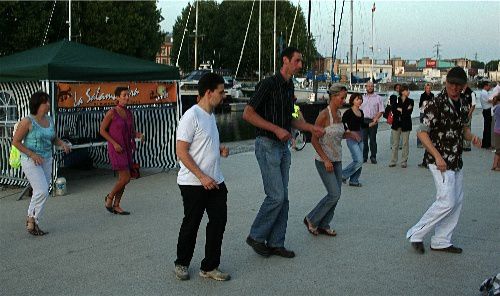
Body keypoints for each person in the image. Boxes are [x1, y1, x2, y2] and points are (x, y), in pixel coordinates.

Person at [243, 47, 324, 258]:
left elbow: (289, 119)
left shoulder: (289, 87)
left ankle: (277, 242)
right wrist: (275, 129)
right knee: (276, 196)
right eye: (297, 61)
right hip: (267, 144)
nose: (300, 65)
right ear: (285, 60)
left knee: (284, 198)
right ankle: (256, 236)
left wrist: (309, 128)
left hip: (283, 148)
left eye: (300, 61)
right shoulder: (267, 84)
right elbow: (248, 114)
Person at [406, 67, 482, 254]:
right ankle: (416, 233)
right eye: (451, 84)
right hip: (438, 159)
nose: (454, 88)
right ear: (446, 83)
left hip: (456, 158)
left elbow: (462, 128)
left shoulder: (464, 103)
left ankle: (441, 240)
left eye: (458, 85)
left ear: (464, 86)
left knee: (457, 200)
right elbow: (422, 133)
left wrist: (472, 137)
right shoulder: (435, 104)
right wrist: (438, 156)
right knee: (447, 200)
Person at [173, 73, 231, 281]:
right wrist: (202, 177)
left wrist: (219, 149)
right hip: (193, 183)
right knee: (192, 223)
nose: (224, 95)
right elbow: (181, 151)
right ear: (209, 93)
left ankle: (209, 266)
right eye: (221, 92)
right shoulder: (191, 116)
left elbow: (203, 145)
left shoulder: (210, 116)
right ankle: (181, 263)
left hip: (215, 180)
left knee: (218, 222)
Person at [12, 91, 71, 235]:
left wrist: (62, 143)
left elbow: (53, 138)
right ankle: (31, 219)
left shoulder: (50, 120)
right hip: (30, 160)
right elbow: (15, 142)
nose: (49, 105)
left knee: (42, 191)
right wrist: (32, 154)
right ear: (37, 104)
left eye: (49, 102)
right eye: (46, 102)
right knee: (42, 190)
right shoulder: (27, 121)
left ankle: (33, 221)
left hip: (47, 159)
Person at [303, 84, 349, 237]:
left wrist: (351, 135)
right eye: (342, 98)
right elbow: (314, 139)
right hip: (324, 160)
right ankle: (312, 219)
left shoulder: (339, 114)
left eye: (345, 97)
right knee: (334, 193)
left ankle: (324, 223)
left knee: (336, 194)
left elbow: (337, 135)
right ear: (333, 97)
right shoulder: (324, 115)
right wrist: (325, 159)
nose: (344, 100)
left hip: (337, 159)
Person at [99, 87, 143, 215]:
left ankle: (117, 205)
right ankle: (110, 197)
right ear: (117, 97)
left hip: (126, 147)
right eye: (124, 95)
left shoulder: (129, 113)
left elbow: (129, 132)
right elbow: (102, 130)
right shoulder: (112, 112)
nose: (127, 97)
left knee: (125, 178)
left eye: (128, 95)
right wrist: (114, 143)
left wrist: (137, 134)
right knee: (125, 177)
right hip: (116, 148)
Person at [341, 93, 371, 186]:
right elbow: (342, 122)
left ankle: (354, 180)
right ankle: (342, 174)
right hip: (351, 138)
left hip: (360, 136)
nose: (360, 101)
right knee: (359, 160)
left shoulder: (361, 112)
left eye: (361, 99)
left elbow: (362, 125)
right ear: (353, 100)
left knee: (359, 160)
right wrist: (347, 130)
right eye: (358, 99)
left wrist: (372, 123)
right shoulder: (348, 112)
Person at [388, 84, 414, 168]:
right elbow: (394, 111)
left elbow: (408, 113)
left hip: (406, 124)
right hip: (396, 124)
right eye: (407, 90)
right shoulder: (396, 100)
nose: (408, 92)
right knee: (395, 144)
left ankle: (404, 161)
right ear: (402, 92)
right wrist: (403, 110)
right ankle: (393, 161)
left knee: (405, 143)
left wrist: (400, 110)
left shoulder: (411, 101)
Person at [360, 81, 384, 164]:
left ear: (374, 87)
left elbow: (381, 110)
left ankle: (373, 156)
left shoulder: (378, 98)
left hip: (373, 120)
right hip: (364, 121)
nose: (370, 88)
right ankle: (364, 157)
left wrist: (376, 118)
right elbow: (358, 110)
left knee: (373, 140)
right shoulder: (362, 98)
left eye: (371, 86)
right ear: (366, 87)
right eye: (368, 86)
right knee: (364, 140)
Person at [417, 83, 435, 149]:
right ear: (425, 88)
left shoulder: (432, 95)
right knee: (421, 127)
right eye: (427, 88)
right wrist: (425, 103)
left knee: (430, 128)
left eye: (429, 88)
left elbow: (433, 104)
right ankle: (419, 143)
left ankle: (429, 143)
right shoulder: (422, 95)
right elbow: (420, 105)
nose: (428, 89)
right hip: (423, 112)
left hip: (430, 113)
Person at [461, 83, 477, 151]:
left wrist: (469, 115)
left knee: (467, 129)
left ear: (466, 84)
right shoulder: (460, 92)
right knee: (460, 130)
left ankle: (467, 146)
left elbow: (473, 105)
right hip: (460, 114)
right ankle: (461, 145)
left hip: (467, 114)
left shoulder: (471, 93)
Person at [479, 81, 493, 149]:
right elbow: (489, 101)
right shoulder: (484, 93)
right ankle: (487, 144)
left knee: (487, 128)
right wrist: (497, 99)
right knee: (488, 128)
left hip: (486, 110)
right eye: (488, 86)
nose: (489, 87)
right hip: (487, 111)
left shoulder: (483, 92)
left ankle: (485, 143)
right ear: (485, 86)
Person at [388, 84, 402, 149]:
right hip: (395, 115)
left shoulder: (402, 96)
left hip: (401, 115)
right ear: (395, 89)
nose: (398, 89)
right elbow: (392, 106)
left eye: (399, 88)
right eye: (397, 88)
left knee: (401, 130)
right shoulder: (393, 96)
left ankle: (400, 145)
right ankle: (392, 144)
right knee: (394, 130)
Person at [492, 95, 500, 171]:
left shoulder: (496, 107)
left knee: (498, 148)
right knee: (498, 149)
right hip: (499, 129)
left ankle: (496, 165)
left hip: (496, 129)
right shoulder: (499, 107)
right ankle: (496, 165)